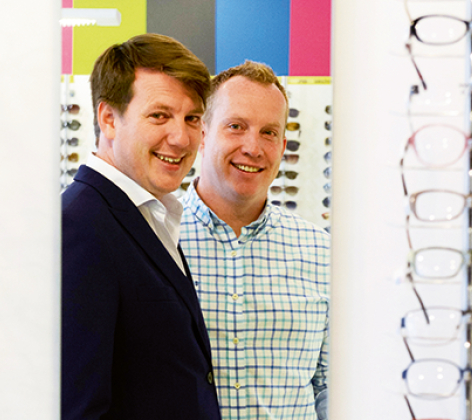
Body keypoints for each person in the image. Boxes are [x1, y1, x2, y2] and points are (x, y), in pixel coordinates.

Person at [62, 33, 221, 420]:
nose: (181, 138)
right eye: (159, 116)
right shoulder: (81, 226)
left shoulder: (148, 214)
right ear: (108, 119)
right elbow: (79, 407)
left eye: (192, 118)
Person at [180, 60, 330, 420]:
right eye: (236, 126)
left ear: (283, 145)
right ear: (203, 133)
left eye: (269, 132)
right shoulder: (154, 240)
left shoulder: (321, 252)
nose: (253, 147)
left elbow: (329, 388)